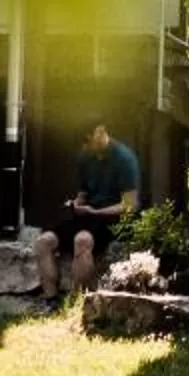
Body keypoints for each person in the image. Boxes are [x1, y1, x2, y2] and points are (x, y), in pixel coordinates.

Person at [38, 119, 142, 296]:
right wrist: (77, 204)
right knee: (43, 241)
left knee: (82, 240)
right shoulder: (85, 157)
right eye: (84, 144)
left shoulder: (124, 159)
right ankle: (50, 300)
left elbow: (129, 205)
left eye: (89, 141)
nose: (86, 147)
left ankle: (77, 301)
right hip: (88, 215)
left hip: (114, 216)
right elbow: (83, 194)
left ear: (101, 132)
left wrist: (97, 212)